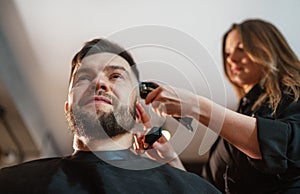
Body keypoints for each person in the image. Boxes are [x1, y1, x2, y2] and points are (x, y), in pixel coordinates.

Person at [0, 38, 221, 194]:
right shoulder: (10, 184)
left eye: (115, 75)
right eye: (84, 78)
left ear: (137, 110)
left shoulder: (193, 189)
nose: (99, 83)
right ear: (68, 108)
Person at [142, 19, 300, 193]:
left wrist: (196, 105)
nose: (231, 58)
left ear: (270, 48)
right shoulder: (239, 117)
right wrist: (170, 159)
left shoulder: (294, 92)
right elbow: (207, 189)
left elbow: (285, 147)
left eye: (242, 48)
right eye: (227, 53)